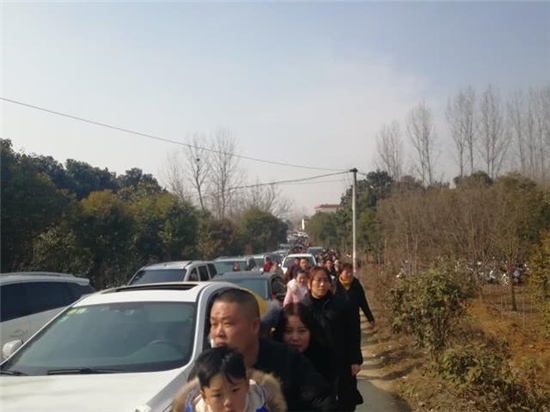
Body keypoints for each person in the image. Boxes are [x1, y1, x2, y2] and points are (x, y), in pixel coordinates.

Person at [209, 289, 334, 411]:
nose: (218, 333)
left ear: (255, 326)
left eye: (227, 324)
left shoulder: (288, 361)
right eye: (214, 324)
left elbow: (324, 403)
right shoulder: (206, 369)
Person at [302, 267, 362, 411]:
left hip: (341, 362)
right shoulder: (303, 308)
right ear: (309, 283)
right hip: (315, 365)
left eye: (326, 280)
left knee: (346, 402)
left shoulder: (340, 304)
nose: (322, 284)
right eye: (318, 280)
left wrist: (355, 359)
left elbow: (353, 333)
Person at [172, 346, 287, 412]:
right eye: (218, 395)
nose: (228, 402)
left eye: (235, 390)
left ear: (247, 385)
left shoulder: (263, 406)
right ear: (204, 396)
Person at [272, 303, 336, 390]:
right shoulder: (271, 365)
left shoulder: (324, 364)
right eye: (288, 331)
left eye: (302, 331)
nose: (295, 338)